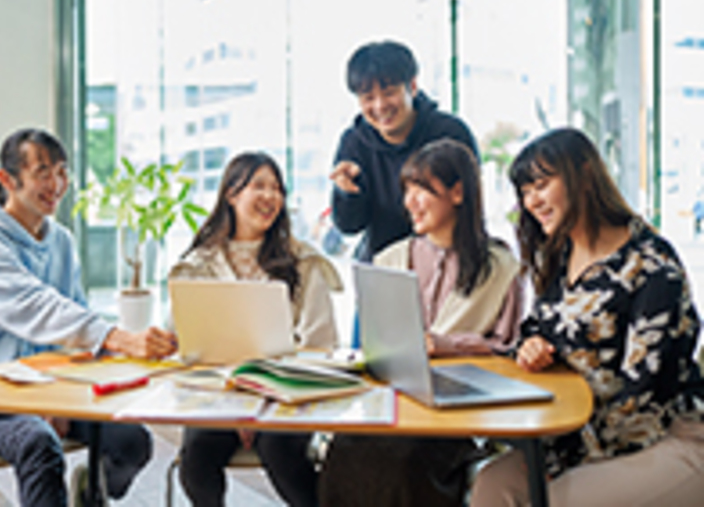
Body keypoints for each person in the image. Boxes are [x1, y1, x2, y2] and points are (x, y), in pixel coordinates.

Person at [0, 128, 178, 507]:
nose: (57, 184)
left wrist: (66, 394)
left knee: (131, 441)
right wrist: (120, 337)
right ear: (7, 180)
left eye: (63, 172)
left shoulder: (60, 241)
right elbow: (42, 309)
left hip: (47, 386)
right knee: (38, 444)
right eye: (43, 172)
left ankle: (91, 493)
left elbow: (76, 317)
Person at [470, 128, 704, 506]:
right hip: (581, 432)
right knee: (491, 486)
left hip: (669, 435)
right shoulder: (561, 256)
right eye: (525, 191)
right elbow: (535, 328)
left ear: (584, 175)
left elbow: (641, 400)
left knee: (557, 500)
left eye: (541, 185)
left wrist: (567, 458)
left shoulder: (652, 265)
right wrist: (530, 346)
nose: (531, 201)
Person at [320, 139, 523, 507]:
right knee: (346, 450)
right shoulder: (388, 259)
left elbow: (508, 349)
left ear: (458, 192)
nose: (409, 202)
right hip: (392, 405)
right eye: (407, 190)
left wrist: (447, 345)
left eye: (422, 190)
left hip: (454, 414)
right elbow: (375, 345)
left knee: (403, 464)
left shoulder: (501, 268)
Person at [169, 151, 342, 507]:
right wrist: (235, 406)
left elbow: (320, 345)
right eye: (259, 186)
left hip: (287, 396)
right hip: (217, 398)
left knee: (280, 450)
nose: (271, 197)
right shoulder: (198, 264)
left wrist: (260, 403)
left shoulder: (305, 262)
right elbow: (183, 344)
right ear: (232, 194)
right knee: (197, 459)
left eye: (277, 188)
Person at [330, 40, 479, 262]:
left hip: (448, 259)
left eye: (389, 92)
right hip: (383, 264)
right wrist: (347, 193)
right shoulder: (354, 142)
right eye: (368, 98)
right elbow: (349, 226)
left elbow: (471, 206)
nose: (380, 106)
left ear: (413, 86)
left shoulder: (450, 133)